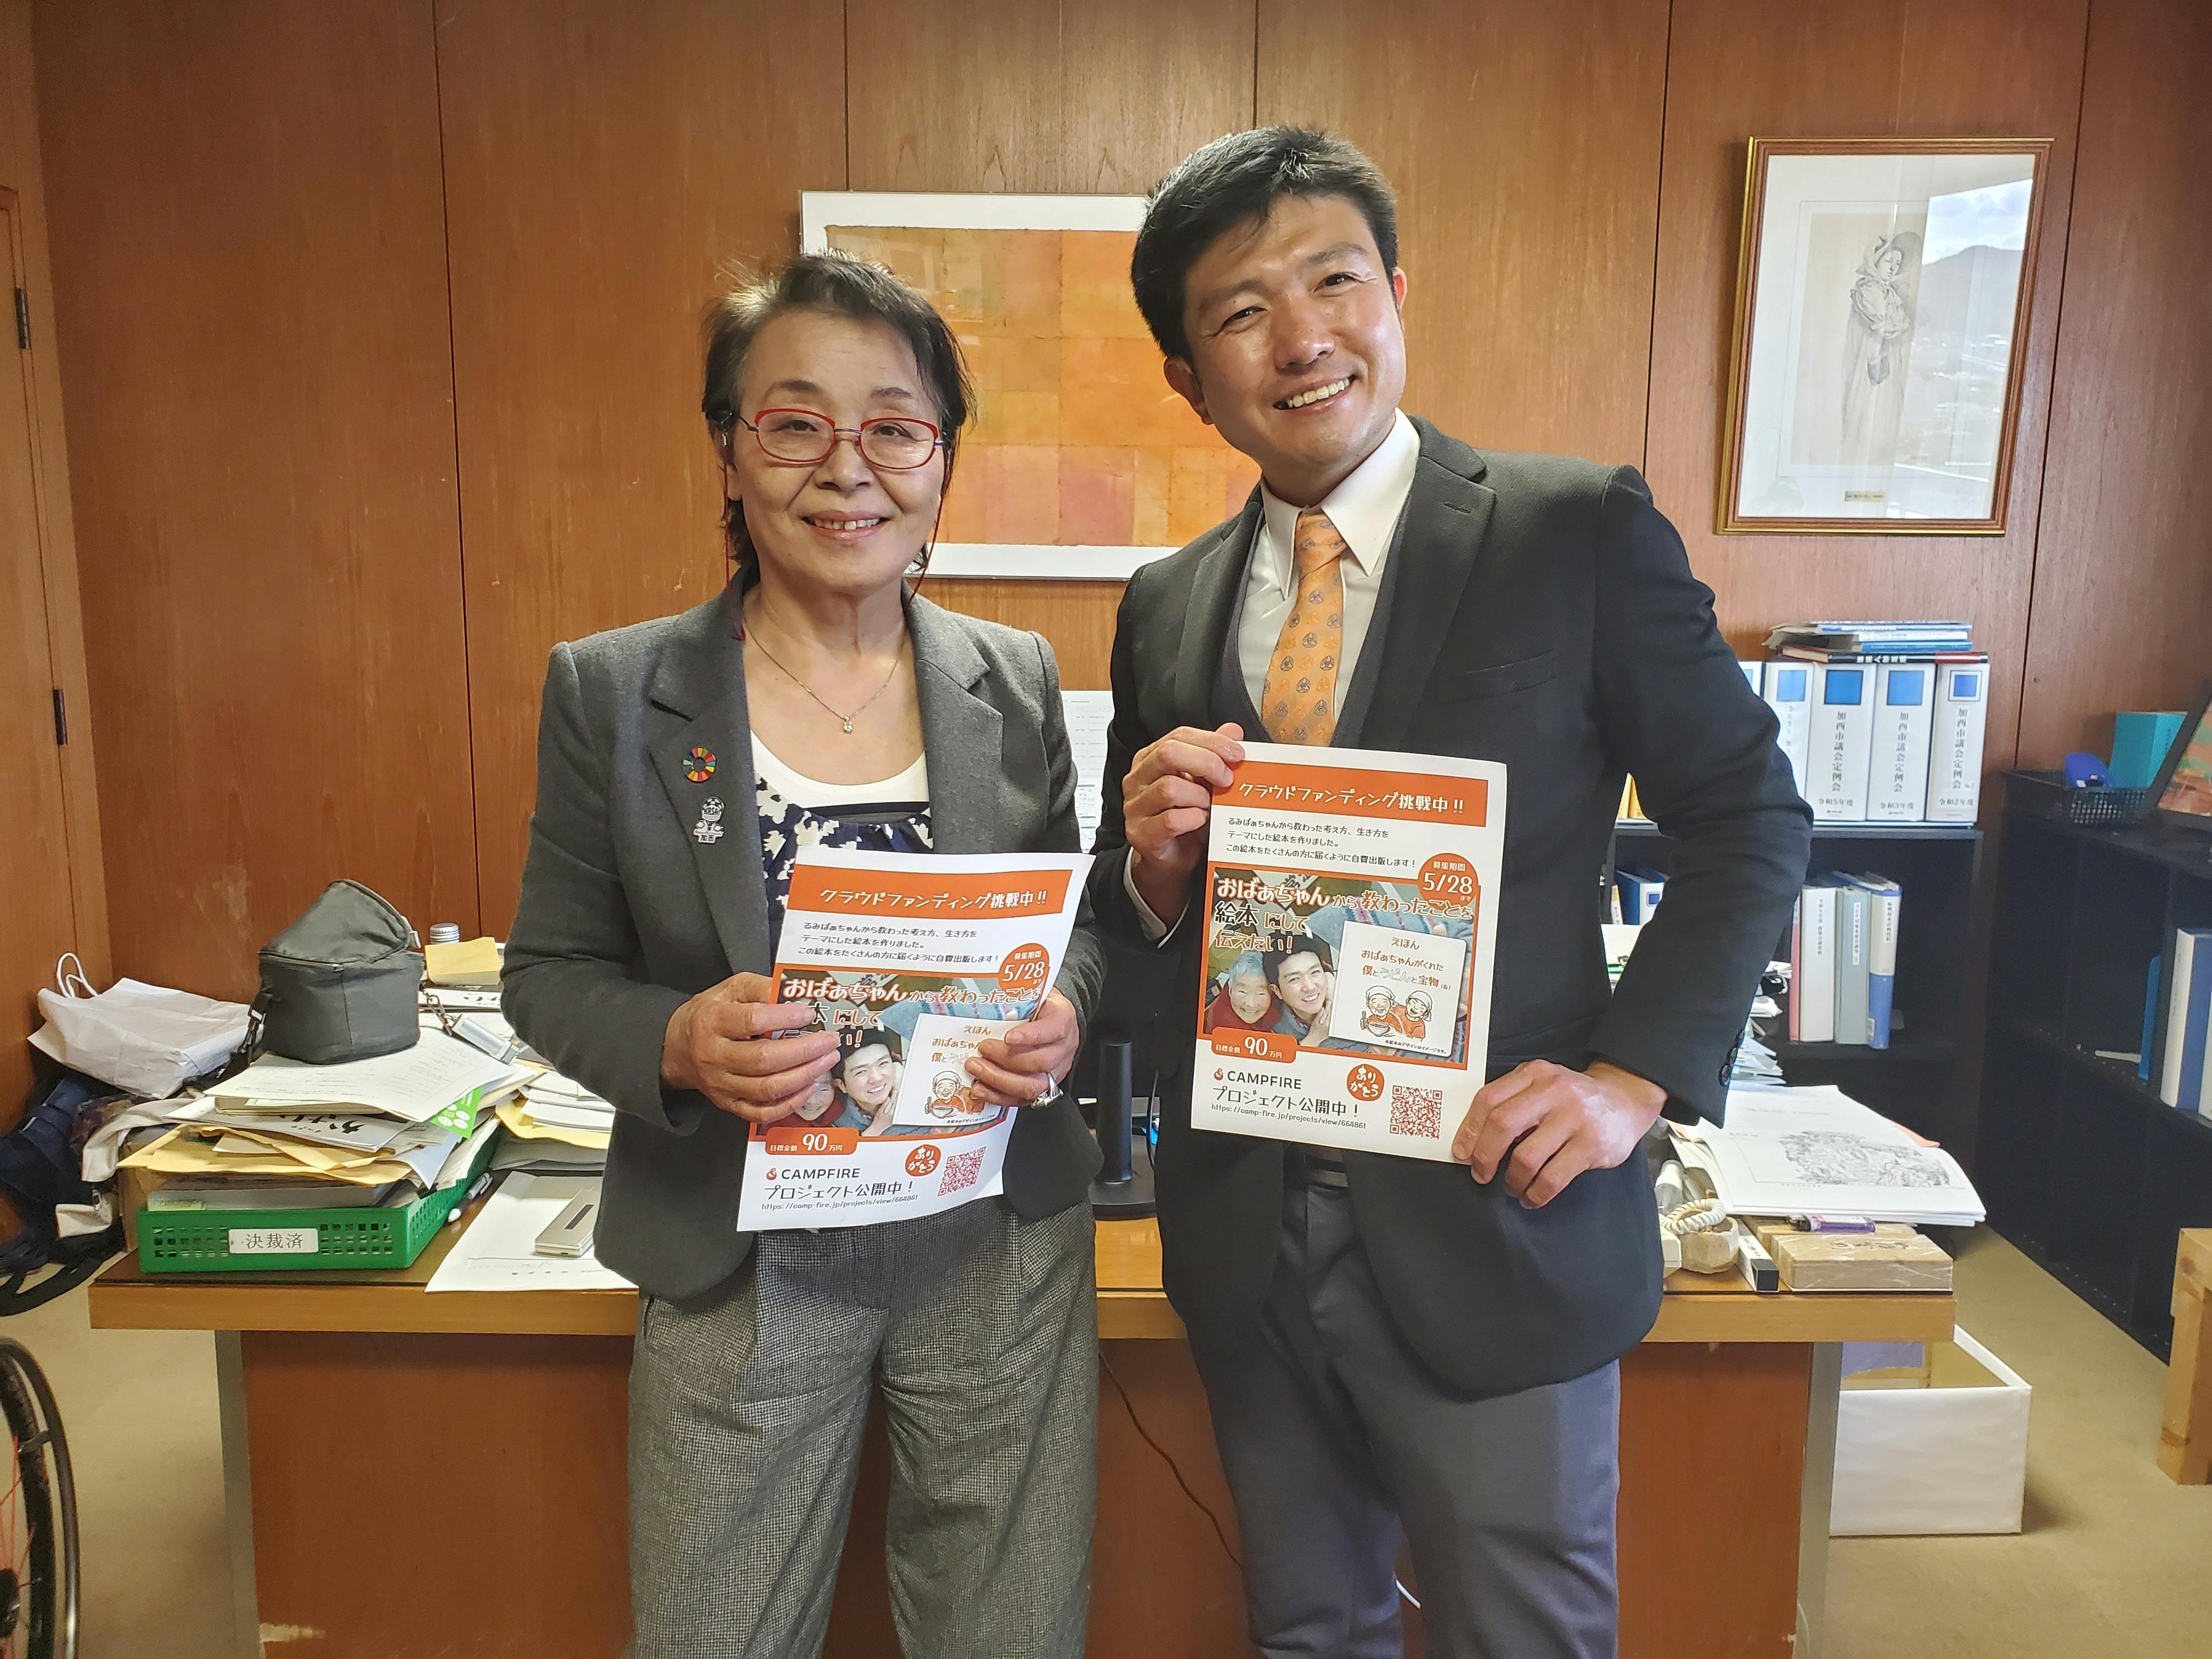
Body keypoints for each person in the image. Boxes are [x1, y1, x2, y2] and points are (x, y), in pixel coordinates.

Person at [1087, 129, 1811, 1658]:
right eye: (1242, 313)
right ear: (1189, 376)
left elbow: (1748, 814)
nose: (1303, 339)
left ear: (1398, 293)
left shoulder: (1573, 528)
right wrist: (1152, 872)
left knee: (1520, 1637)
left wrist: (1632, 1082)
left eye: (1335, 281)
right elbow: (1140, 937)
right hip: (1247, 1230)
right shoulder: (1165, 605)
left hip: (1501, 1220)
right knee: (1309, 1629)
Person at [503, 250, 1104, 1659]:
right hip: (738, 1241)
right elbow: (546, 969)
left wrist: (1065, 1013)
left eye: (894, 427)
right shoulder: (615, 691)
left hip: (991, 1234)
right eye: (795, 423)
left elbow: (1068, 931)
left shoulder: (1013, 677)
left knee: (1009, 1633)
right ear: (729, 449)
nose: (849, 468)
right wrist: (674, 1041)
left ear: (941, 462)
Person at [1205, 950, 1280, 1034]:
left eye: (1261, 994)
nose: (1251, 1004)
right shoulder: (1224, 1024)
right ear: (1230, 990)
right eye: (1242, 992)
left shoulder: (1280, 996)